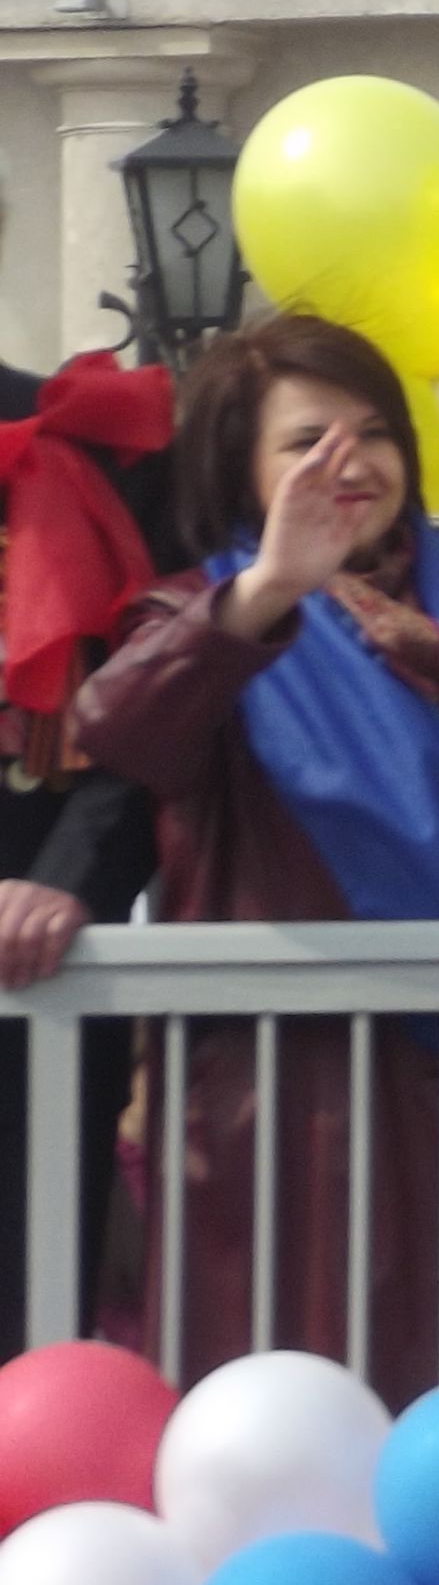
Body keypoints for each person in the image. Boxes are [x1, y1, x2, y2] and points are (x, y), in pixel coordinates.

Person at [74, 314, 439, 1395]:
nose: (350, 463)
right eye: (305, 442)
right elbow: (121, 729)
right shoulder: (208, 613)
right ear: (242, 470)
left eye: (375, 432)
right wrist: (268, 591)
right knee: (306, 1427)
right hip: (305, 1109)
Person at [0, 350, 181, 1344]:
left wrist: (69, 879)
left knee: (31, 1316)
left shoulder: (94, 433)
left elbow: (152, 706)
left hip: (37, 963)